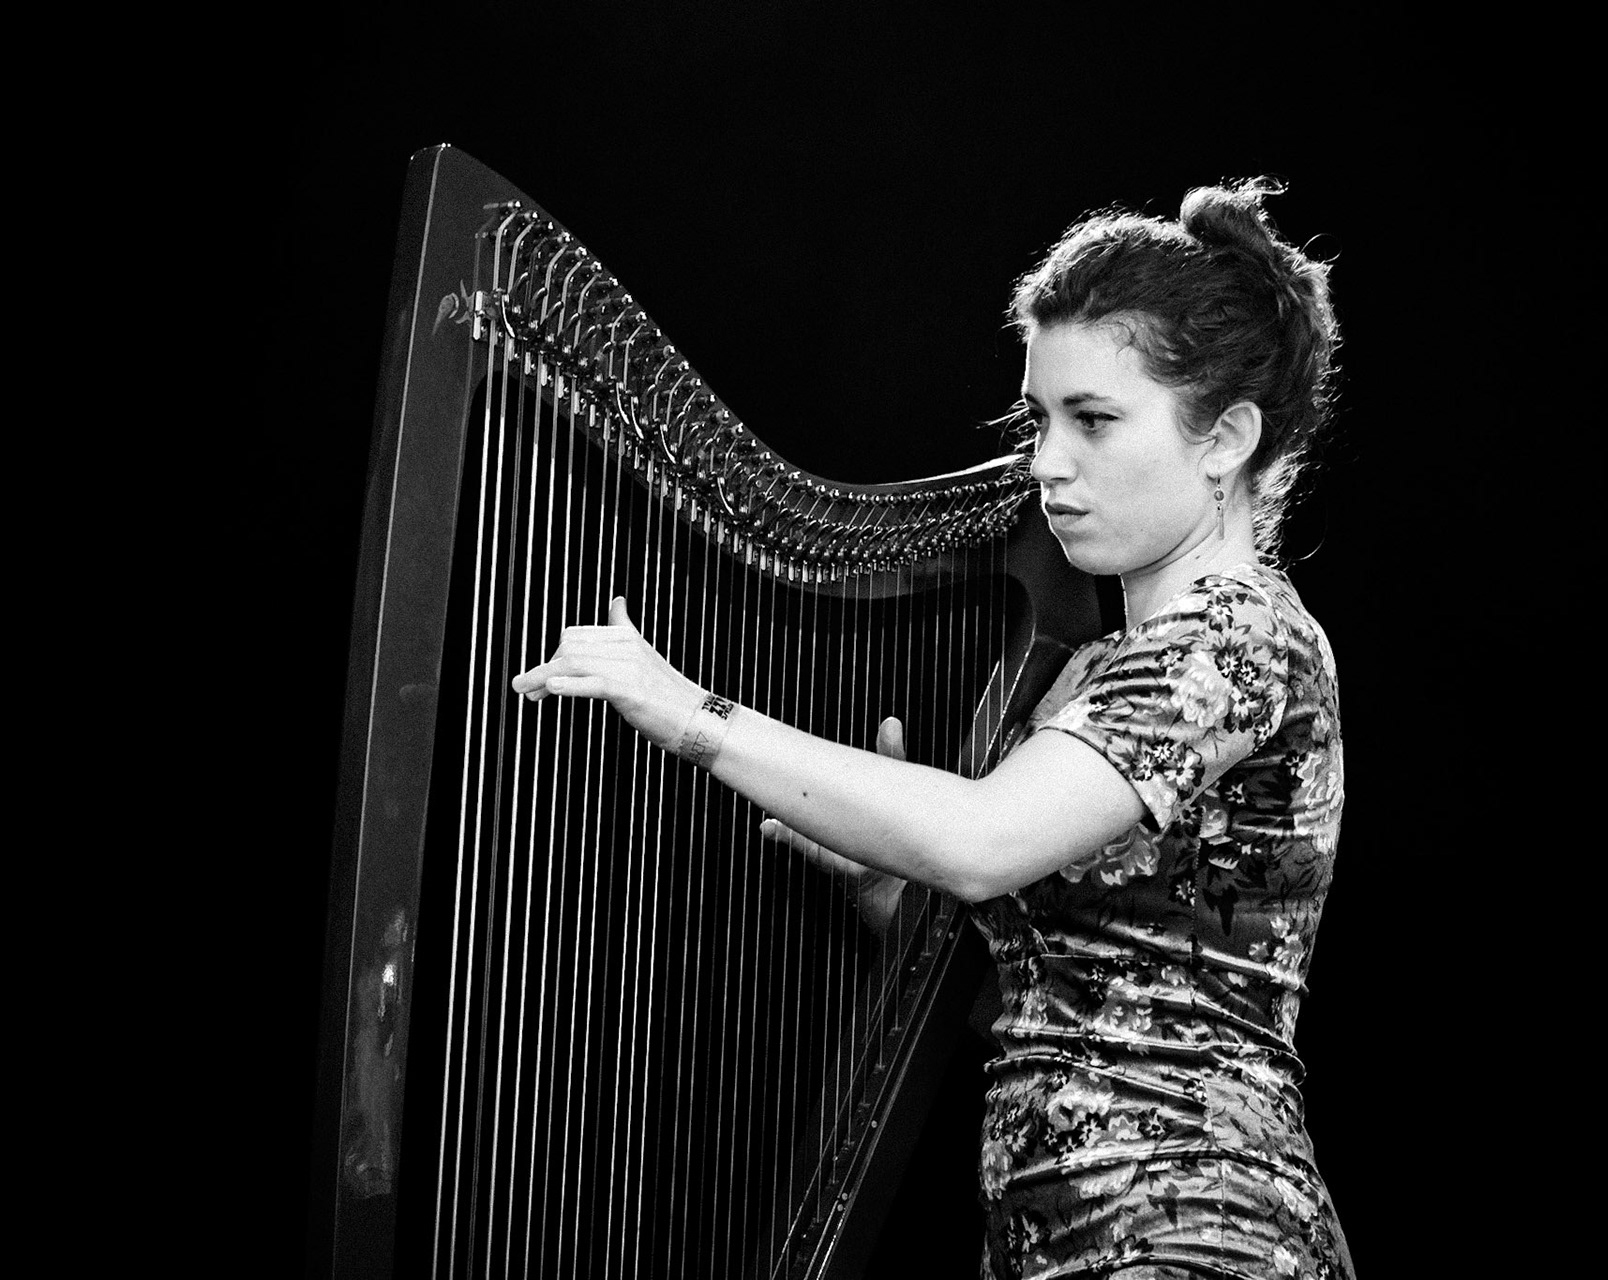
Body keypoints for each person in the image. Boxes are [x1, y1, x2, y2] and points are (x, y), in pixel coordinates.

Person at [513, 178, 1353, 1280]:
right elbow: (1079, 992)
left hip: (1200, 1230)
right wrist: (889, 889)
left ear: (1226, 438)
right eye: (1039, 418)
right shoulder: (1108, 667)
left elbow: (978, 837)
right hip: (1069, 1242)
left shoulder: (1239, 639)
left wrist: (689, 711)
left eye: (1094, 418)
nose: (1048, 461)